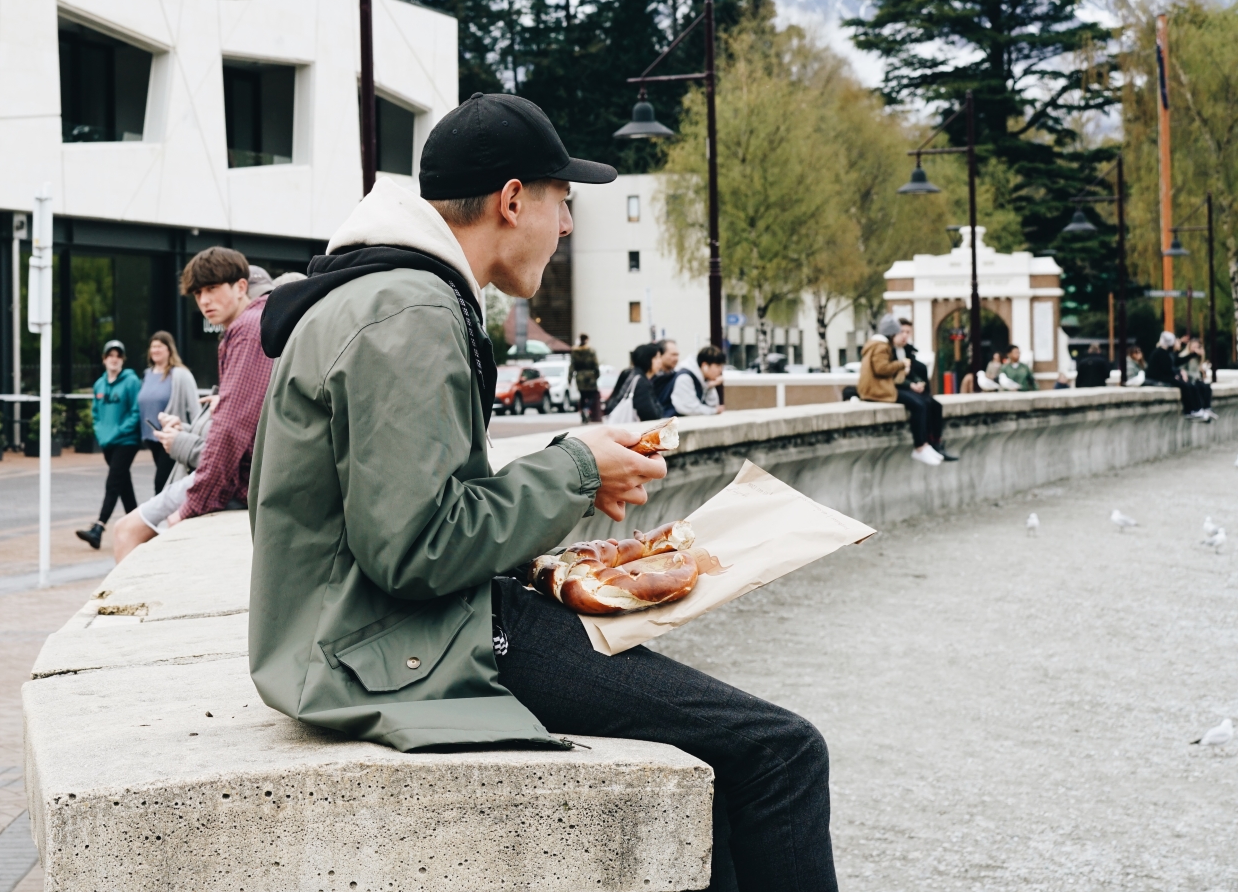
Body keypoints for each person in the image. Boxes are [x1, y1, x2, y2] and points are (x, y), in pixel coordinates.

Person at [250, 91, 837, 891]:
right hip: (391, 647)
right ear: (514, 198)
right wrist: (577, 466)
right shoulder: (409, 310)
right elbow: (416, 549)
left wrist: (573, 472)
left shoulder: (387, 291)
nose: (566, 227)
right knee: (781, 751)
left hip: (374, 631)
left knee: (726, 750)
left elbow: (411, 518)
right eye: (563, 202)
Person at [110, 250, 274, 562]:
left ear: (241, 286)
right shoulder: (257, 323)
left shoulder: (247, 330)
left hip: (237, 482)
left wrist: (191, 506)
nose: (204, 301)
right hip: (247, 478)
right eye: (198, 292)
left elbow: (231, 432)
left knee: (126, 531)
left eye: (213, 288)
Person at [75, 340, 143, 548]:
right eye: (110, 355)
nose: (114, 359)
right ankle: (140, 528)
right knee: (124, 485)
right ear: (104, 359)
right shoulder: (99, 385)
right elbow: (95, 413)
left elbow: (136, 411)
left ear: (122, 360)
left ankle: (98, 527)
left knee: (113, 483)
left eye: (118, 356)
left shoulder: (131, 381)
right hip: (107, 442)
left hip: (126, 441)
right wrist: (100, 432)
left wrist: (120, 430)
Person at [859, 315, 952, 464]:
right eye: (898, 332)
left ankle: (926, 444)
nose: (902, 336)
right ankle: (920, 446)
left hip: (878, 388)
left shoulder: (877, 345)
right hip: (879, 390)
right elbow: (881, 369)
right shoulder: (881, 346)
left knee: (922, 403)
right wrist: (901, 364)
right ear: (891, 333)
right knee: (919, 405)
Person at [137, 331, 198, 494]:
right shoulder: (147, 374)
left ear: (169, 350)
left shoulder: (180, 374)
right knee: (168, 481)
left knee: (161, 482)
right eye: (153, 346)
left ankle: (162, 517)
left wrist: (196, 433)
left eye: (159, 346)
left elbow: (194, 407)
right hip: (152, 438)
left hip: (172, 435)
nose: (155, 350)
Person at [1147, 331, 1216, 420]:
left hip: (1162, 376)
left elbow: (1177, 361)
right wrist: (1178, 374)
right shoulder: (1161, 353)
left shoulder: (1166, 353)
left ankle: (1198, 409)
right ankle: (1191, 410)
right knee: (1185, 386)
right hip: (1157, 378)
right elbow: (1167, 368)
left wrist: (1193, 354)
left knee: (1191, 386)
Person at [603, 342, 666, 423]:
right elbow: (651, 415)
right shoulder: (640, 382)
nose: (660, 361)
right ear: (646, 359)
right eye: (656, 358)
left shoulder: (629, 373)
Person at [666, 344, 726, 416]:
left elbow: (712, 405)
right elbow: (689, 408)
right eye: (717, 366)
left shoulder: (703, 379)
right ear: (705, 365)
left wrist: (709, 387)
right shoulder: (685, 378)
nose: (720, 370)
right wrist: (714, 411)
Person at [570, 334, 600, 422]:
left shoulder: (575, 351)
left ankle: (583, 412)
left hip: (579, 376)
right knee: (591, 395)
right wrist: (597, 375)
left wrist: (570, 378)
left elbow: (572, 365)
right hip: (590, 376)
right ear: (587, 340)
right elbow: (596, 364)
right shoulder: (591, 351)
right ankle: (586, 409)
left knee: (582, 396)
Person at [650, 339, 682, 409]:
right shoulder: (650, 377)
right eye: (673, 355)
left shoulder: (677, 376)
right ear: (660, 354)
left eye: (677, 355)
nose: (676, 358)